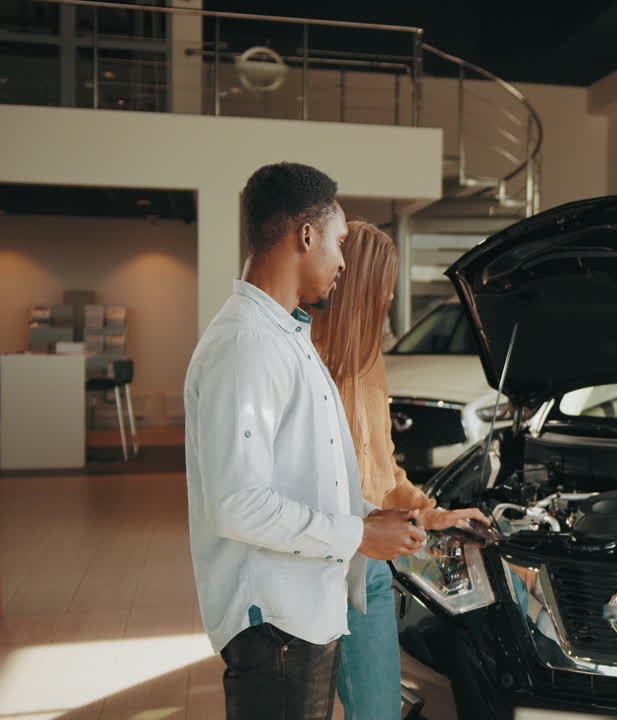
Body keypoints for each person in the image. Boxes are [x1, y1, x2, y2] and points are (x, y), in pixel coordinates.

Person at [184, 162, 428, 720]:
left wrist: (373, 517)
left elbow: (313, 477)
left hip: (302, 612)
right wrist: (359, 533)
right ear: (306, 235)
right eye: (339, 242)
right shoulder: (248, 345)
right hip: (274, 625)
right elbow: (238, 504)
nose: (343, 260)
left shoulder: (286, 335)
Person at [310, 220, 489, 719]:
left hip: (367, 567)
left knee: (379, 707)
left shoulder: (369, 361)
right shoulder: (303, 361)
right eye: (384, 287)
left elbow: (383, 471)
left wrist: (435, 515)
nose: (389, 299)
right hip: (317, 566)